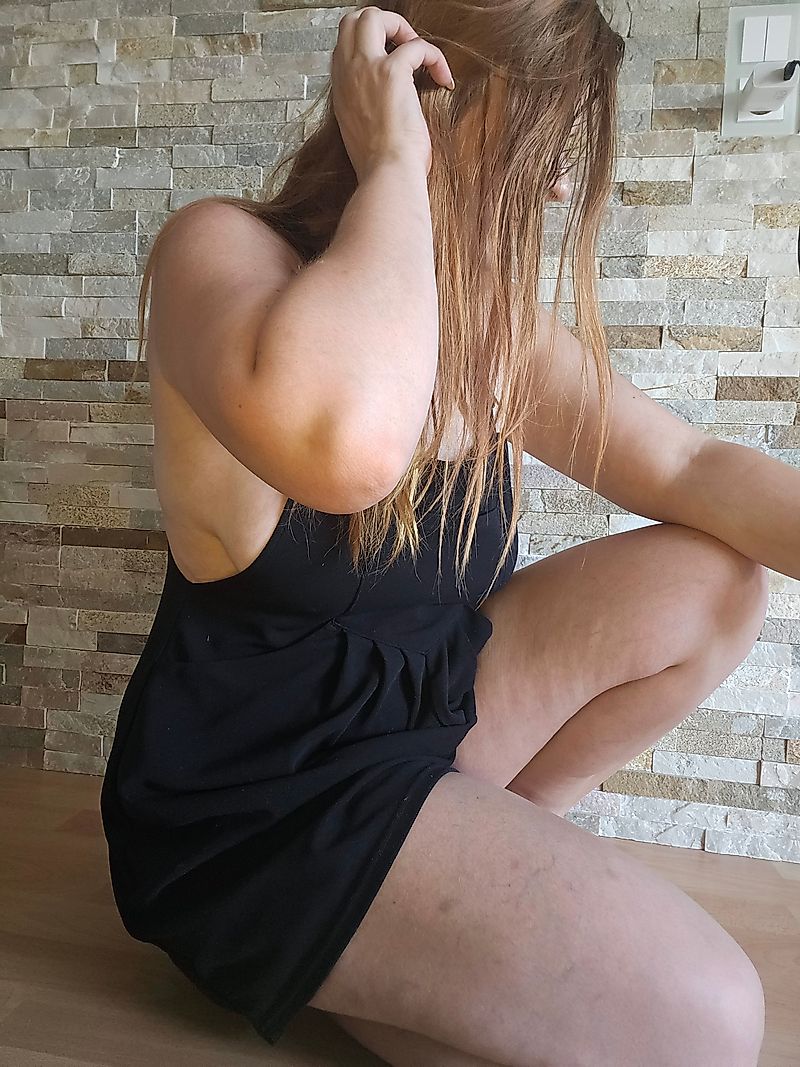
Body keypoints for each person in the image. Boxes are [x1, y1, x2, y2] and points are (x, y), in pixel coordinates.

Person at [100, 3, 796, 1064]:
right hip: (261, 811)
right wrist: (391, 167)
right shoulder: (219, 253)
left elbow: (688, 468)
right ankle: (379, 938)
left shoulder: (488, 326)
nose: (555, 189)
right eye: (545, 145)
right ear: (445, 107)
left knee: (713, 581)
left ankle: (451, 899)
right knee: (709, 1019)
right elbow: (348, 447)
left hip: (421, 731)